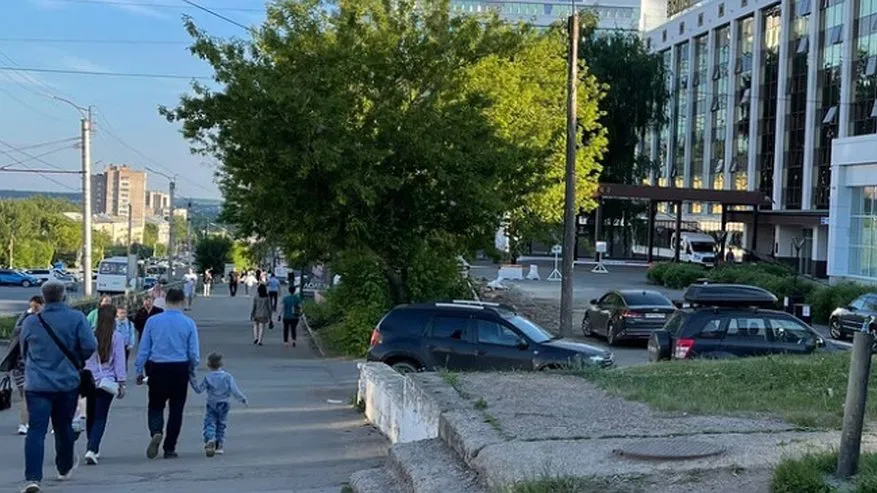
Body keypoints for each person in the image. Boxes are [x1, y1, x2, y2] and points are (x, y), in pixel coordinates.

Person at [20, 281, 97, 493]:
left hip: (37, 384)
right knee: (63, 427)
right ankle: (64, 467)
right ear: (63, 296)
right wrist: (77, 360)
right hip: (67, 382)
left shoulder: (32, 321)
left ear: (43, 298)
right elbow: (90, 345)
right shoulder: (77, 318)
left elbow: (23, 350)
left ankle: (32, 478)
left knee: (36, 430)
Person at [134, 288, 200, 460]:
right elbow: (194, 353)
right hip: (180, 367)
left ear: (165, 301)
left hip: (157, 368)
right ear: (183, 302)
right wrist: (192, 368)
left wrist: (138, 370)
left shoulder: (152, 321)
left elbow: (144, 348)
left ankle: (156, 431)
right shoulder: (189, 323)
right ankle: (169, 447)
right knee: (176, 409)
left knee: (155, 405)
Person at [83, 305, 127, 466]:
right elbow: (119, 362)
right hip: (107, 381)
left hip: (88, 379)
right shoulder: (116, 337)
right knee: (100, 417)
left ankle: (91, 444)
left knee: (90, 414)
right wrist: (121, 382)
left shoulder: (89, 335)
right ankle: (92, 448)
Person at [190, 352, 247, 457]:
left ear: (208, 364)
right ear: (221, 364)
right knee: (221, 424)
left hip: (212, 403)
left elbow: (199, 390)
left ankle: (210, 438)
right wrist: (242, 398)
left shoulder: (208, 377)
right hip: (224, 404)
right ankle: (219, 445)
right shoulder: (227, 377)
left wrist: (192, 379)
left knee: (210, 422)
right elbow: (234, 390)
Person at [1, 295, 43, 435]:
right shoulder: (40, 322)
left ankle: (25, 423)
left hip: (19, 363)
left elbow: (13, 342)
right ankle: (27, 422)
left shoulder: (23, 321)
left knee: (25, 394)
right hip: (34, 364)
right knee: (30, 395)